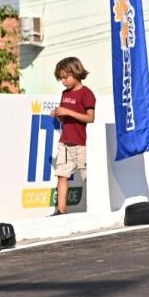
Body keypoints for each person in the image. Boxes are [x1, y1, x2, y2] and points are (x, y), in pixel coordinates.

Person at [51, 56, 96, 215]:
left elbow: (90, 118)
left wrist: (67, 111)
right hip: (65, 141)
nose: (63, 81)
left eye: (66, 77)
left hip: (80, 143)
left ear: (76, 72)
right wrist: (59, 115)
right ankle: (60, 210)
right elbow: (66, 117)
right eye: (61, 78)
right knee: (61, 176)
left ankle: (97, 205)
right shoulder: (64, 94)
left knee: (88, 176)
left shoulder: (87, 94)